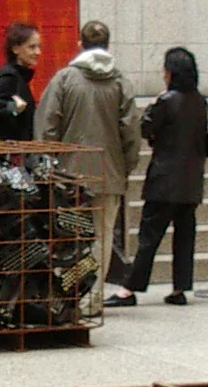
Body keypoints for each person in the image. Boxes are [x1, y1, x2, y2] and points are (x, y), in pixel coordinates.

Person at [35, 20, 139, 314]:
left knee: (68, 237)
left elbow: (47, 127)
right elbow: (131, 132)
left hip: (69, 176)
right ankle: (91, 301)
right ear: (108, 45)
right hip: (109, 175)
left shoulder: (65, 79)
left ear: (79, 44)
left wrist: (48, 166)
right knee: (101, 237)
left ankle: (66, 298)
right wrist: (125, 169)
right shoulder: (120, 82)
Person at [105, 46, 208, 308]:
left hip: (165, 180)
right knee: (185, 237)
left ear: (170, 72)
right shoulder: (200, 101)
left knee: (149, 237)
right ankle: (179, 288)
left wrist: (154, 105)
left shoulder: (167, 100)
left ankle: (128, 290)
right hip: (190, 180)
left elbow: (145, 128)